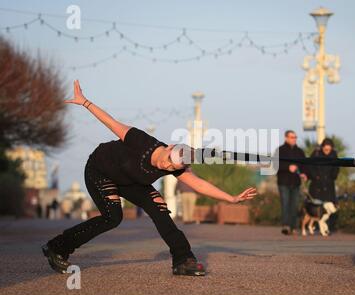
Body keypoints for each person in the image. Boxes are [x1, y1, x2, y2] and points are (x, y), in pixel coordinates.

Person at [42, 80, 257, 276]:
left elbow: (199, 184)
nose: (166, 165)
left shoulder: (177, 164)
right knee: (112, 217)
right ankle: (57, 247)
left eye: (172, 167)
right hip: (100, 170)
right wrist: (85, 102)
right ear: (169, 147)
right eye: (167, 160)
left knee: (160, 209)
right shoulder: (141, 140)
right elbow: (111, 122)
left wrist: (231, 198)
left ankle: (183, 260)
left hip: (132, 181)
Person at [275, 130, 308, 235]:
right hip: (283, 182)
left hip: (296, 182)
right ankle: (286, 226)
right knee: (285, 205)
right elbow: (275, 165)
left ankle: (294, 227)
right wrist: (288, 167)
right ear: (286, 138)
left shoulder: (300, 152)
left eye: (295, 137)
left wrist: (304, 173)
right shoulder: (280, 150)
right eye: (292, 137)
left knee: (295, 205)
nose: (294, 139)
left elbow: (304, 165)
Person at [307, 138, 339, 233]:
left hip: (329, 185)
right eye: (325, 149)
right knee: (316, 206)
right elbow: (310, 166)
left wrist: (333, 176)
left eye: (329, 150)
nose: (327, 151)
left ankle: (328, 227)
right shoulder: (316, 153)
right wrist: (314, 176)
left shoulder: (334, 155)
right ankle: (315, 226)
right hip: (316, 185)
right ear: (322, 147)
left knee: (329, 206)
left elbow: (336, 168)